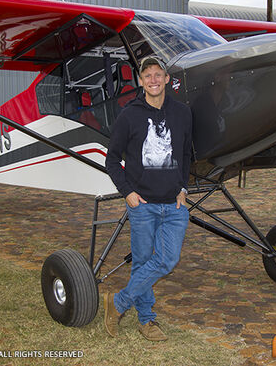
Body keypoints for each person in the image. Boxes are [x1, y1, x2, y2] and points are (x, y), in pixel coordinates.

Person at [104, 56, 192, 341]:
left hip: (173, 203)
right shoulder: (129, 115)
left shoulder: (182, 113)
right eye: (147, 76)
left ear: (167, 79)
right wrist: (127, 192)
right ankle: (147, 321)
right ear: (140, 81)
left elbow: (187, 154)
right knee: (143, 263)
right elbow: (112, 160)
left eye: (158, 74)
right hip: (142, 205)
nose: (153, 80)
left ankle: (117, 303)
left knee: (166, 260)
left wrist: (183, 187)